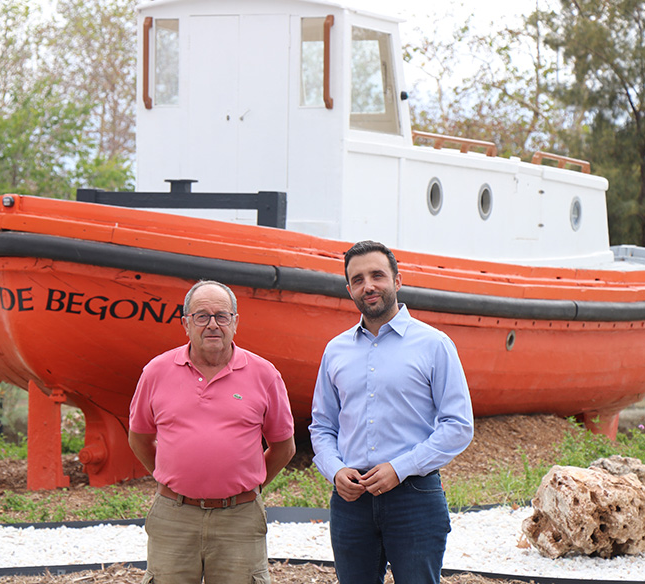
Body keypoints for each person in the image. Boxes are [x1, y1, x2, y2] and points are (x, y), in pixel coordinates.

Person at [309, 240, 474, 584]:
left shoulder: (434, 344)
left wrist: (400, 469)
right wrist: (335, 471)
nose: (368, 285)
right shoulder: (334, 350)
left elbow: (458, 426)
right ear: (349, 290)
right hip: (350, 500)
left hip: (414, 496)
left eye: (377, 275)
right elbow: (322, 426)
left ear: (397, 281)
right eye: (357, 279)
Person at [129, 279, 296, 584]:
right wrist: (174, 477)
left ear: (235, 322)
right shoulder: (156, 372)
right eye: (201, 316)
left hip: (240, 518)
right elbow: (139, 437)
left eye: (222, 316)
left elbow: (284, 447)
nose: (212, 325)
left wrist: (248, 485)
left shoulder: (265, 374)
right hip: (173, 516)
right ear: (185, 323)